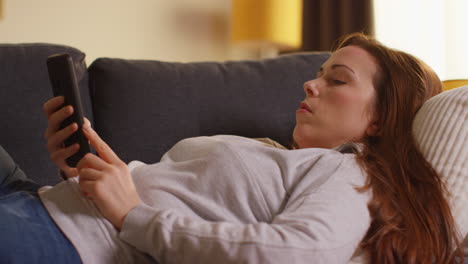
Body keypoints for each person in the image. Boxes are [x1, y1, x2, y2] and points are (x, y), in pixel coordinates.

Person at [0, 33, 463, 263]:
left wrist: (132, 216)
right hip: (38, 196)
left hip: (65, 236)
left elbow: (292, 255)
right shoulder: (274, 154)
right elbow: (174, 196)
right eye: (320, 72)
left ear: (381, 119)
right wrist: (85, 172)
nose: (311, 83)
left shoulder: (350, 176)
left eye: (336, 79)